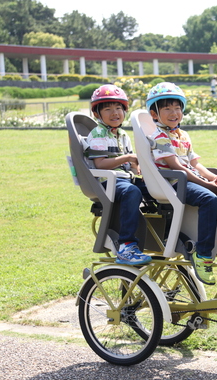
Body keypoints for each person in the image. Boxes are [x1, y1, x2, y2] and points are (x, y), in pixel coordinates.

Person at [146, 82, 217, 285]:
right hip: (172, 184)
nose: (174, 113)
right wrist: (207, 185)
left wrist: (214, 178)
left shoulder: (183, 135)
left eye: (177, 108)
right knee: (208, 199)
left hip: (186, 179)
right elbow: (177, 167)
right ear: (154, 114)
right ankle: (203, 254)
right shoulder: (159, 137)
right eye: (167, 109)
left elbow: (195, 163)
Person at [85, 84, 152, 266]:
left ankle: (158, 237)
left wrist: (136, 167)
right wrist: (129, 157)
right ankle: (126, 246)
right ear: (97, 114)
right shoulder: (98, 133)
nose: (115, 113)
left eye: (118, 108)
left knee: (155, 188)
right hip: (107, 181)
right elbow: (101, 163)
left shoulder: (122, 134)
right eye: (108, 109)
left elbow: (130, 164)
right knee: (132, 192)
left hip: (123, 179)